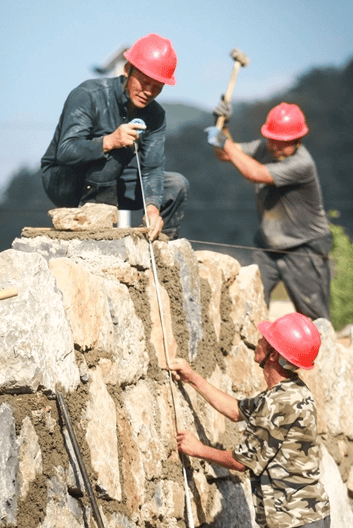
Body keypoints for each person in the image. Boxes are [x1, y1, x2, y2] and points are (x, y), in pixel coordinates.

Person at [170, 312, 331, 528]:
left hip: (291, 525)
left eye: (267, 340)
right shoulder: (292, 391)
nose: (259, 340)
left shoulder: (277, 403)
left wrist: (198, 449)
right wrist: (193, 379)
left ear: (274, 355)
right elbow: (237, 411)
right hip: (310, 520)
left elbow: (241, 462)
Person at [40, 33, 189, 240]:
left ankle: (163, 250)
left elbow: (152, 169)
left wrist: (153, 208)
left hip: (112, 182)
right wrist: (110, 141)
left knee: (176, 185)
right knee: (118, 150)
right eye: (144, 83)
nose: (148, 92)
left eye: (157, 88)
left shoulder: (156, 115)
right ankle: (100, 236)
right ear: (128, 70)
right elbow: (64, 151)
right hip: (63, 181)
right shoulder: (88, 94)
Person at [206, 102, 332, 320]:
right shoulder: (264, 148)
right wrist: (224, 125)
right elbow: (226, 154)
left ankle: (319, 353)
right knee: (249, 305)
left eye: (283, 143)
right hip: (267, 246)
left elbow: (255, 172)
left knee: (314, 318)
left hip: (304, 248)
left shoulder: (302, 164)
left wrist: (224, 142)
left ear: (298, 140)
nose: (275, 147)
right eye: (272, 140)